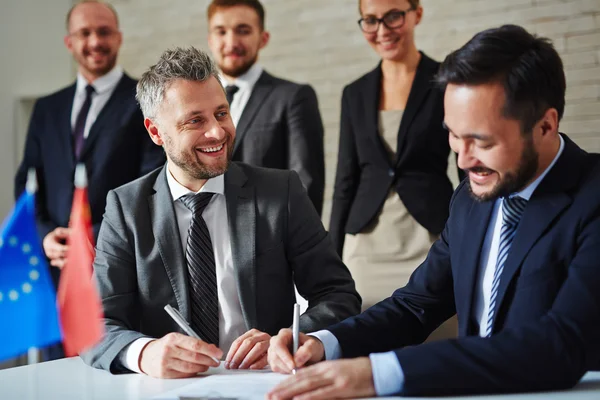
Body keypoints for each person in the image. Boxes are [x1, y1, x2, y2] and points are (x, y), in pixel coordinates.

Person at [266, 24, 600, 398]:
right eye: (454, 136)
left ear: (545, 125)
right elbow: (415, 306)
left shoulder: (593, 196)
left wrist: (378, 374)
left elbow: (562, 342)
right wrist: (325, 342)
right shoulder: (469, 200)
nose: (464, 158)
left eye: (481, 141)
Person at [80, 47, 360, 378]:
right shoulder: (126, 207)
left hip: (266, 384)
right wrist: (144, 353)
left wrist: (291, 337)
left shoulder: (281, 192)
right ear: (156, 132)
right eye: (195, 120)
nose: (217, 132)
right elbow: (95, 322)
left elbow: (338, 295)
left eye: (222, 113)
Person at [13, 0, 165, 360]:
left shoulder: (146, 102)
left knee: (108, 369)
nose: (95, 41)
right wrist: (46, 234)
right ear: (69, 42)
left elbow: (152, 184)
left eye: (104, 31)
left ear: (119, 38)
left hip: (117, 270)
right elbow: (28, 184)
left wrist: (90, 239)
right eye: (85, 33)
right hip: (54, 274)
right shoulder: (47, 108)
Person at [328, 0, 460, 313]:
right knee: (362, 341)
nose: (383, 30)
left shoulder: (447, 82)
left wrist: (472, 236)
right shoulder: (354, 92)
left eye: (393, 16)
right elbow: (345, 179)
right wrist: (329, 257)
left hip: (430, 238)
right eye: (370, 20)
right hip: (365, 245)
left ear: (418, 13)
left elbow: (466, 167)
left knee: (433, 342)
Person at [206, 0, 325, 215]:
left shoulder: (293, 97)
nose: (231, 42)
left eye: (243, 31)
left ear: (263, 39)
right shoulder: (198, 104)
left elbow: (306, 183)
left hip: (269, 238)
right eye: (221, 32)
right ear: (210, 40)